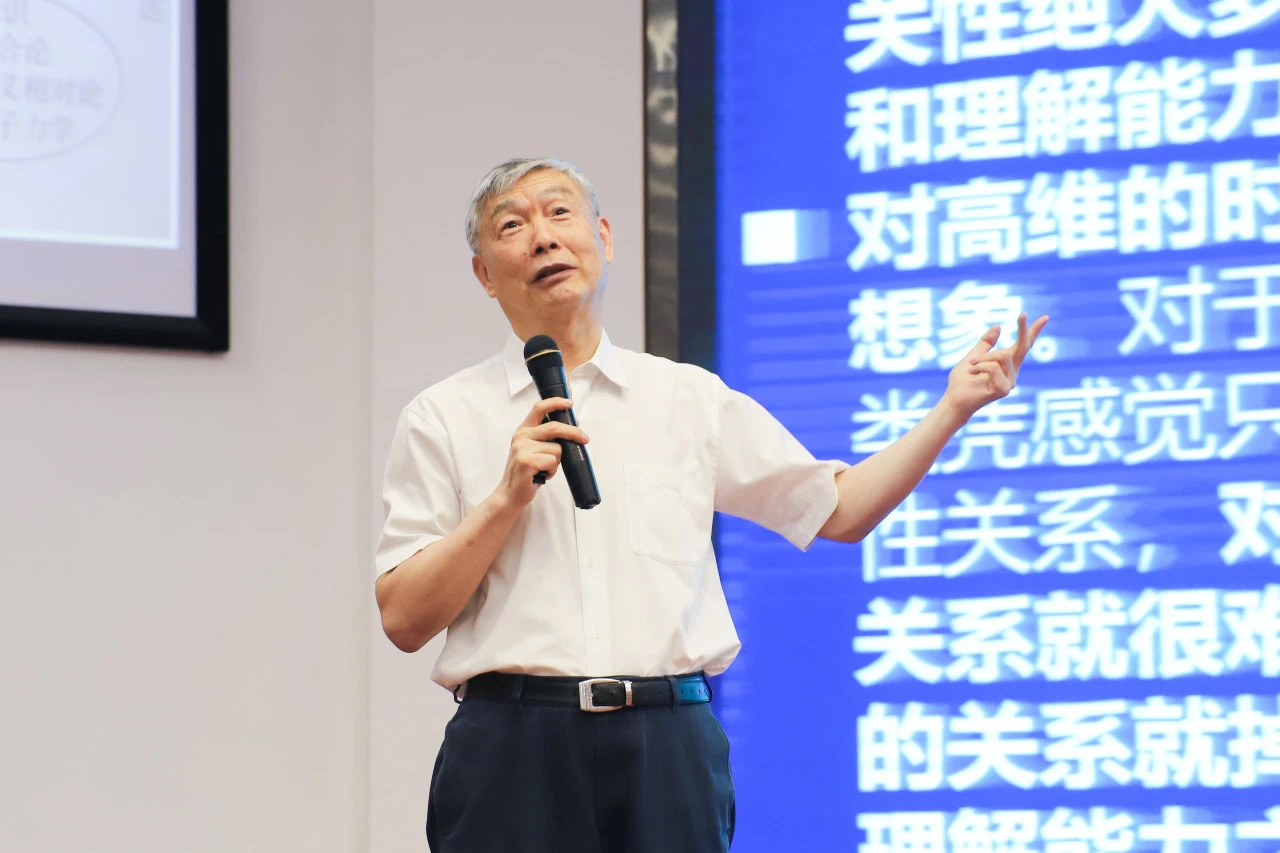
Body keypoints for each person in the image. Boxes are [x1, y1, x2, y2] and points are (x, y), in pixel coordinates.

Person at [374, 157, 1049, 852]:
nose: (543, 236)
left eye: (560, 212)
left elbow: (840, 509)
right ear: (485, 273)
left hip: (666, 748)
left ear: (604, 238)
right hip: (512, 752)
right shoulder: (443, 417)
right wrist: (504, 500)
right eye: (512, 225)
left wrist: (952, 408)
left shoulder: (687, 397)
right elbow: (403, 617)